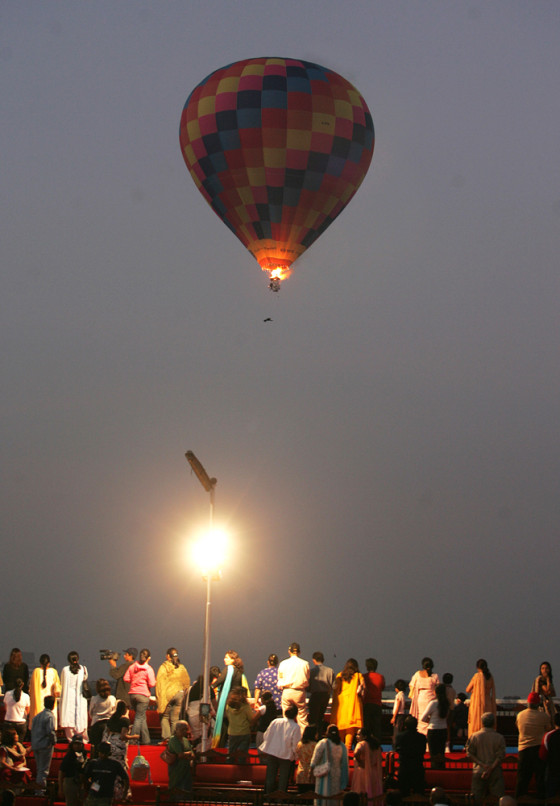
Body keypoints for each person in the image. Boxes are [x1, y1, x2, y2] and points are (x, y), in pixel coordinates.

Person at [465, 711, 506, 804]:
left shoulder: (475, 736)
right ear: (493, 723)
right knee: (498, 799)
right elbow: (500, 756)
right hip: (495, 771)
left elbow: (469, 753)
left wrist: (482, 765)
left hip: (479, 771)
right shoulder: (499, 737)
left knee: (476, 800)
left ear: (482, 722)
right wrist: (490, 768)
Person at [515, 691, 550, 798]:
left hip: (523, 749)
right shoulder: (543, 716)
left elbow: (518, 727)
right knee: (540, 776)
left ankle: (520, 797)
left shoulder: (520, 715)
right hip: (538, 748)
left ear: (528, 703)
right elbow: (548, 729)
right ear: (538, 704)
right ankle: (541, 798)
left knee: (522, 776)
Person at [259, 704, 301, 793]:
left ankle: (268, 798)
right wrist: (295, 756)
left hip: (272, 752)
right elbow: (295, 745)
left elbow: (266, 735)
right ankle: (280, 799)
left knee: (270, 777)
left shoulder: (276, 721)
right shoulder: (295, 727)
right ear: (295, 715)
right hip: (285, 755)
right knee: (283, 779)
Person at [211, 650, 248, 748]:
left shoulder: (228, 669)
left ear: (233, 659)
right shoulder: (240, 672)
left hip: (226, 703)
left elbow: (220, 680)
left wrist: (210, 687)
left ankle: (220, 749)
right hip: (236, 702)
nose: (224, 659)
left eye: (227, 657)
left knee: (223, 728)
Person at [156, 648, 190, 742]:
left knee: (164, 716)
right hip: (179, 695)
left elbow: (159, 684)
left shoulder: (163, 667)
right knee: (175, 719)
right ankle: (174, 739)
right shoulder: (182, 667)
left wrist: (160, 701)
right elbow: (187, 682)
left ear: (167, 656)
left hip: (168, 695)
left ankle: (166, 738)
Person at [330, 658, 365, 751]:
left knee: (340, 728)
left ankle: (340, 749)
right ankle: (347, 748)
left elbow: (335, 689)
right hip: (353, 704)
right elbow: (363, 688)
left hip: (341, 705)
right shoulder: (358, 676)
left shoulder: (340, 675)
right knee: (350, 729)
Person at [123, 647, 156, 745]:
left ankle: (146, 740)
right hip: (143, 695)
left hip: (133, 694)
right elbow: (152, 684)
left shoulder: (133, 667)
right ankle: (133, 740)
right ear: (148, 658)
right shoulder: (148, 669)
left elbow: (126, 678)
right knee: (139, 717)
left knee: (141, 717)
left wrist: (134, 682)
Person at [310, 724, 349, 806]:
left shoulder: (323, 743)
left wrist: (311, 770)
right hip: (337, 775)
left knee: (323, 796)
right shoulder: (342, 746)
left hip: (324, 775)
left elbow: (315, 759)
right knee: (334, 798)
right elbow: (345, 764)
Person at [83, 741, 128, 806]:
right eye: (102, 753)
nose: (103, 755)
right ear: (98, 752)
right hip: (93, 795)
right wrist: (90, 786)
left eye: (105, 753)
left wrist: (125, 793)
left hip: (106, 797)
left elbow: (125, 778)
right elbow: (85, 777)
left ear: (109, 753)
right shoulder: (93, 763)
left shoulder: (115, 764)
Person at [277, 642, 310, 730]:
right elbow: (307, 677)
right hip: (299, 691)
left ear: (289, 651)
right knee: (302, 718)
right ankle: (303, 741)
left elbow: (280, 679)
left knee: (286, 718)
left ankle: (286, 738)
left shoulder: (283, 663)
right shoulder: (305, 663)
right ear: (299, 652)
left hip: (287, 691)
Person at [60, 651, 89, 741]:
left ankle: (72, 741)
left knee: (69, 722)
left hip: (68, 699)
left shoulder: (65, 670)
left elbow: (62, 683)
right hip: (80, 699)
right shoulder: (83, 669)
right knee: (81, 720)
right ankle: (83, 741)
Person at [395, 715, 427, 796]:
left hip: (404, 768)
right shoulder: (422, 737)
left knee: (403, 793)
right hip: (417, 768)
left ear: (405, 726)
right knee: (419, 793)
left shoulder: (400, 736)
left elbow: (397, 749)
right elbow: (423, 751)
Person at [30, 694, 57, 791]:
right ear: (53, 705)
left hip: (36, 744)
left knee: (39, 769)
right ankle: (40, 791)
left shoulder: (37, 716)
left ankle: (39, 790)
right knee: (43, 770)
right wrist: (54, 741)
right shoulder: (49, 716)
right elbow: (50, 731)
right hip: (45, 746)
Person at [225, 686, 257, 762]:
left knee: (231, 754)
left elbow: (228, 717)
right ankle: (241, 770)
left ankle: (229, 769)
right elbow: (251, 719)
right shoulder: (246, 706)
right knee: (242, 755)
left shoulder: (228, 706)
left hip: (232, 732)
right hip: (244, 733)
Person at [421, 683, 449, 769]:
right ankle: (442, 770)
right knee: (441, 753)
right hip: (443, 730)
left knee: (433, 754)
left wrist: (430, 720)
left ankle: (434, 771)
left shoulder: (433, 703)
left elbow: (423, 718)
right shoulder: (447, 703)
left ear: (435, 692)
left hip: (433, 730)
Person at [409, 657, 440, 737]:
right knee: (430, 718)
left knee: (421, 718)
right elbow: (438, 689)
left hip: (421, 697)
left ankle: (420, 736)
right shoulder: (435, 676)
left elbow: (411, 685)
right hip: (431, 699)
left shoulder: (417, 674)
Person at [350, 728, 383, 802]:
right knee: (373, 793)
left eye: (358, 735)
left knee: (362, 794)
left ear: (364, 736)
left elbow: (356, 753)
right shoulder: (376, 745)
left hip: (363, 772)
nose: (356, 736)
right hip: (374, 772)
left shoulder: (362, 744)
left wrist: (360, 762)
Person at [29, 654, 62, 728]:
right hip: (50, 706)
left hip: (38, 707)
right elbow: (58, 690)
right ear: (49, 663)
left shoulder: (36, 672)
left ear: (40, 663)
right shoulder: (53, 672)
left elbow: (31, 690)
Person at [466, 659, 496, 737]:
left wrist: (475, 690)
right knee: (487, 724)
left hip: (477, 704)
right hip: (488, 703)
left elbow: (468, 689)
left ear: (478, 667)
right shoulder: (490, 677)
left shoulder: (477, 676)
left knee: (476, 723)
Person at [166, 720, 194, 800]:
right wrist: (188, 753)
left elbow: (192, 754)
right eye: (183, 729)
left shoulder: (185, 740)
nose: (185, 731)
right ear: (177, 729)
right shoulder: (173, 740)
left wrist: (188, 754)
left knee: (186, 789)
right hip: (176, 769)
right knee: (177, 789)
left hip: (186, 768)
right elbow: (180, 754)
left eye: (186, 729)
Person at [308, 652, 335, 735]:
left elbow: (308, 686)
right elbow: (334, 686)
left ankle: (312, 735)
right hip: (325, 696)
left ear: (314, 660)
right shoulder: (330, 671)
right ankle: (319, 734)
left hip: (315, 695)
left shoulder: (311, 672)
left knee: (313, 718)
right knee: (320, 717)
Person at [88, 679, 117, 755]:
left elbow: (91, 712)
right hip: (109, 725)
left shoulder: (94, 699)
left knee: (96, 747)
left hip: (96, 725)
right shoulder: (112, 698)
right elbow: (114, 711)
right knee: (108, 748)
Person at [58, 734, 88, 806]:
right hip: (70, 781)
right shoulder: (69, 756)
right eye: (75, 744)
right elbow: (61, 772)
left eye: (79, 744)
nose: (77, 746)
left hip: (81, 782)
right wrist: (60, 788)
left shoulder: (84, 754)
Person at [363, 658, 385, 742]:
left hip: (366, 704)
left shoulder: (364, 677)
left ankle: (366, 743)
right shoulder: (380, 677)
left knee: (366, 726)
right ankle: (377, 745)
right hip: (377, 704)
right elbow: (382, 687)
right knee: (377, 727)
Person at [539, 711, 560, 797]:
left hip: (553, 772)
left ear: (554, 722)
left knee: (551, 798)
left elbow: (542, 755)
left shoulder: (548, 736)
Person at [532, 661, 556, 727]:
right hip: (542, 704)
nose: (544, 670)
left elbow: (552, 693)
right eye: (542, 668)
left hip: (549, 703)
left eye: (546, 668)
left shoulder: (549, 680)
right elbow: (547, 691)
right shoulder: (540, 679)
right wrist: (548, 680)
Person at [295, 725, 318, 793]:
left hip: (301, 773)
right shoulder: (316, 745)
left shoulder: (300, 744)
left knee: (301, 796)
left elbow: (297, 755)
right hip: (312, 774)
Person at [391, 679, 407, 748]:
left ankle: (395, 747)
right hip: (402, 715)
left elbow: (398, 705)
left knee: (396, 733)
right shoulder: (403, 695)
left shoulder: (399, 695)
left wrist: (394, 717)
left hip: (398, 716)